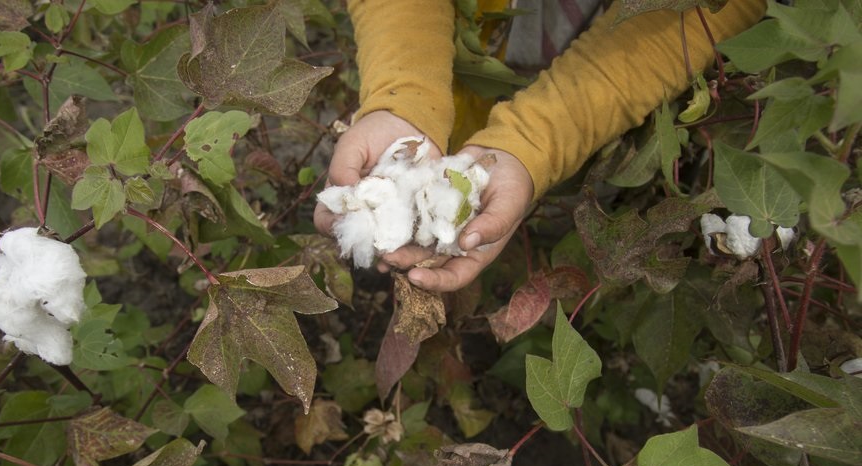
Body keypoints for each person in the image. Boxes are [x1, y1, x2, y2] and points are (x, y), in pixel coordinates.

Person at [314, 0, 767, 292]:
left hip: (614, 69)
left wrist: (534, 144)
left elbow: (710, 8)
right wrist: (406, 97)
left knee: (576, 203)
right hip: (470, 54)